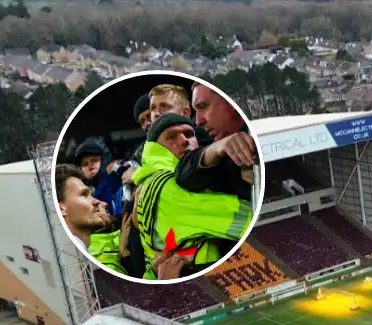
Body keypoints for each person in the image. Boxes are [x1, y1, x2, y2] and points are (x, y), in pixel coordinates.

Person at [131, 113, 252, 280]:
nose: (184, 141)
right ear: (154, 149)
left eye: (189, 134)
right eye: (171, 137)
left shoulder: (153, 182)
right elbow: (244, 220)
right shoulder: (165, 185)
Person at [174, 83, 256, 202]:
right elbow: (183, 175)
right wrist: (217, 148)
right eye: (196, 110)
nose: (198, 121)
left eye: (203, 106)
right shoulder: (204, 137)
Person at [54, 165, 125, 276]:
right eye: (84, 194)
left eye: (90, 195)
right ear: (61, 209)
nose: (97, 201)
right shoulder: (75, 272)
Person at [74, 139, 124, 217]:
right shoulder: (81, 195)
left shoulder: (121, 176)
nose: (90, 166)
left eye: (94, 160)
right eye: (84, 164)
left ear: (104, 160)